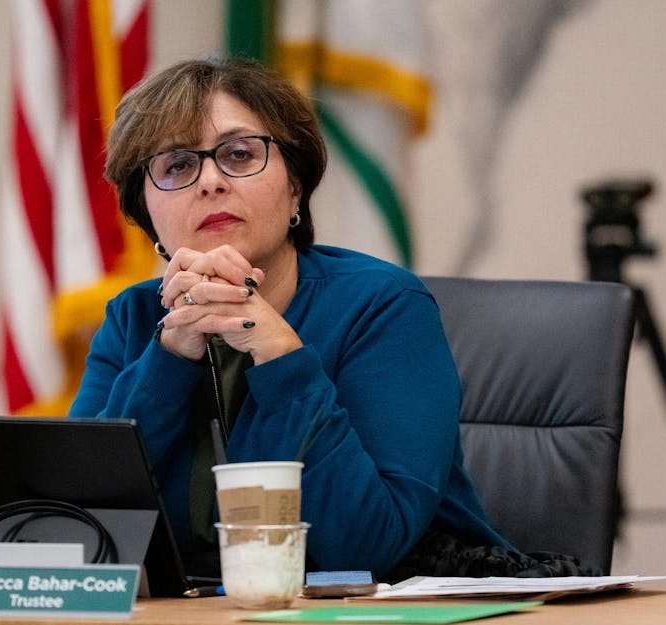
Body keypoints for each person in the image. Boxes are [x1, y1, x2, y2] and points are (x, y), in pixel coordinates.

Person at [68, 57, 517, 582]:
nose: (210, 181)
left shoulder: (382, 306)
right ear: (148, 217)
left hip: (384, 620)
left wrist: (281, 355)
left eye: (238, 155)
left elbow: (366, 547)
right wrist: (167, 359)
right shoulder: (134, 318)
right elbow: (79, 526)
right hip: (192, 624)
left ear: (296, 189)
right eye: (177, 166)